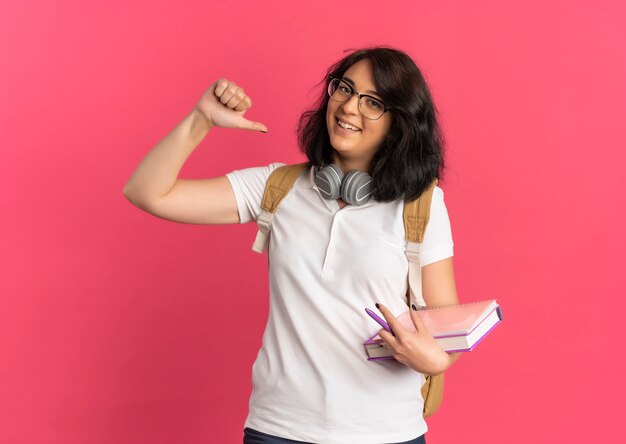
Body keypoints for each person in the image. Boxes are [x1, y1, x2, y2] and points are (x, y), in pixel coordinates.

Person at [123, 46, 461, 444]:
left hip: (387, 432)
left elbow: (446, 323)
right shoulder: (277, 188)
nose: (349, 107)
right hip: (279, 429)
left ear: (399, 123)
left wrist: (436, 361)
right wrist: (200, 121)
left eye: (373, 102)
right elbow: (146, 193)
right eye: (345, 89)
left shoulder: (421, 204)